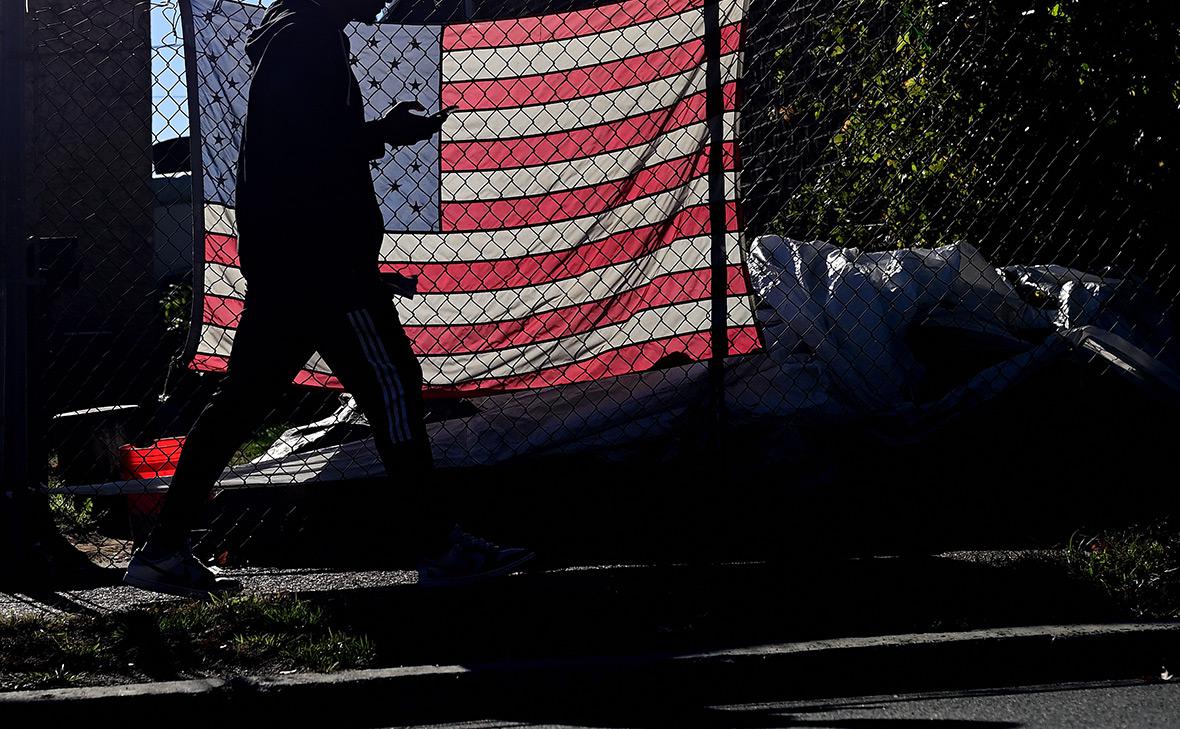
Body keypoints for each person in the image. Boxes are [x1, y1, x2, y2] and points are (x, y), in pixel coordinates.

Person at [124, 0, 534, 598]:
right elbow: (312, 154)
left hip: (287, 263)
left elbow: (304, 145)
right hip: (323, 263)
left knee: (240, 405)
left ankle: (162, 550)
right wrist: (381, 136)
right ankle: (440, 546)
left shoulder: (293, 43)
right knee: (392, 387)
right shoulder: (310, 44)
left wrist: (375, 134)